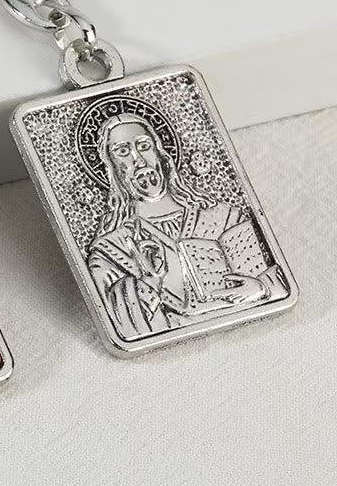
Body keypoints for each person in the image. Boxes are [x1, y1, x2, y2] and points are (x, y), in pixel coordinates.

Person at [87, 113, 288, 339]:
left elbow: (278, 277)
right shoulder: (111, 249)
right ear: (112, 167)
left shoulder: (224, 217)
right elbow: (120, 321)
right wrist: (149, 282)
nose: (139, 160)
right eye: (123, 151)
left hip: (262, 333)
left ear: (159, 152)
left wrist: (261, 288)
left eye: (143, 146)